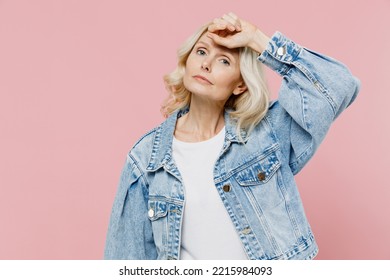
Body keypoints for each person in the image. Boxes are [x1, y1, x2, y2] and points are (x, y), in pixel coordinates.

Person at [104, 12, 360, 260]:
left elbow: (339, 86)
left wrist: (257, 39)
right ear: (186, 63)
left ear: (240, 84)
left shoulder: (267, 134)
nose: (206, 63)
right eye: (201, 52)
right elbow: (126, 260)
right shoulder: (146, 159)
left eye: (224, 60)